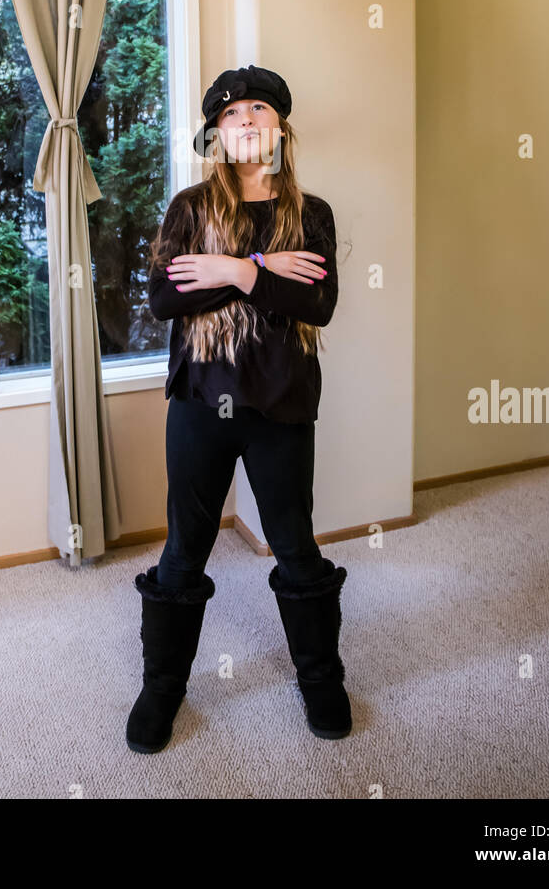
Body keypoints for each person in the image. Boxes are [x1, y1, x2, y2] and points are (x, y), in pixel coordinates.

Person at [126, 64, 351, 754]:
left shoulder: (312, 216)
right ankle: (163, 687)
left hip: (281, 402)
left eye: (259, 108)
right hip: (201, 401)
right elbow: (164, 300)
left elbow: (316, 304)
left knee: (295, 545)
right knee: (184, 549)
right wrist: (254, 272)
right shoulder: (189, 209)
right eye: (231, 113)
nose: (246, 119)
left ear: (280, 127)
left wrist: (232, 270)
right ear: (216, 134)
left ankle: (319, 677)